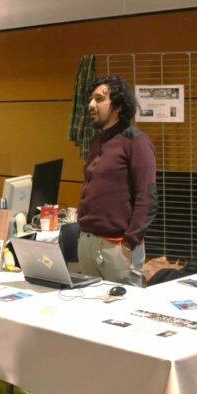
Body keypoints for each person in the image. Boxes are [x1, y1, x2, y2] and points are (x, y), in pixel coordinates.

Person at [77, 76, 157, 287]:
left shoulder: (136, 142)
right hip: (87, 242)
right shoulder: (98, 141)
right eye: (90, 99)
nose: (91, 105)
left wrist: (129, 243)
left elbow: (147, 198)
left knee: (122, 316)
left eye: (99, 98)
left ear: (119, 105)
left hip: (118, 247)